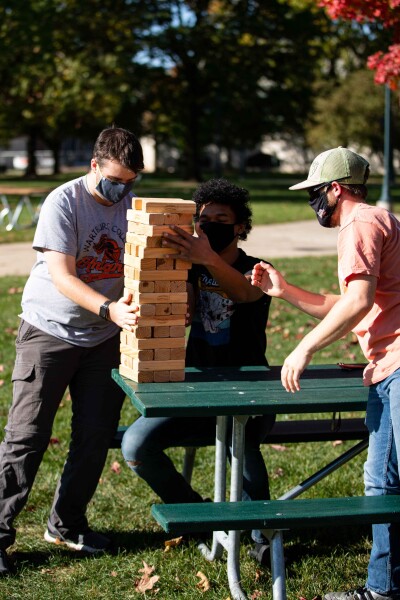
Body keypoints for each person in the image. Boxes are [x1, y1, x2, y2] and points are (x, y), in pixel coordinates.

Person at [251, 146, 400, 600]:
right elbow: (357, 304)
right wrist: (284, 291)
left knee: (387, 483)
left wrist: (304, 347)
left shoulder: (359, 225)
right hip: (385, 368)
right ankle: (384, 588)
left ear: (336, 189)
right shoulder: (378, 220)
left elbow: (356, 303)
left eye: (315, 193)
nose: (313, 203)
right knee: (381, 483)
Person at [0, 126, 143, 576]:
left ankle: (67, 523)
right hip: (50, 330)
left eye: (131, 181)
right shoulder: (63, 202)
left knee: (94, 434)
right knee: (27, 436)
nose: (122, 189)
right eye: (116, 179)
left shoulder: (132, 206)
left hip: (103, 338)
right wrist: (108, 308)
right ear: (94, 165)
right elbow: (61, 275)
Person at [121, 178, 275, 564]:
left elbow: (243, 293)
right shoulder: (188, 268)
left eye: (221, 218)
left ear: (240, 226)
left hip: (247, 391)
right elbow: (181, 303)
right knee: (136, 445)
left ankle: (263, 538)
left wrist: (207, 258)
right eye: (203, 219)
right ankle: (199, 514)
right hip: (194, 391)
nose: (209, 225)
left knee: (242, 449)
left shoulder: (260, 269)